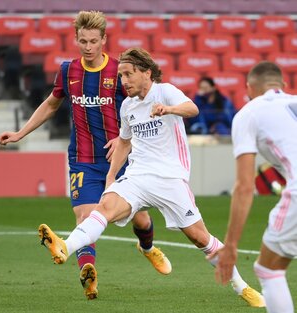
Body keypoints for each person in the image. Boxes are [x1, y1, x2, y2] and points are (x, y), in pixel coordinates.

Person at [38, 47, 264, 307]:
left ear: (146, 72)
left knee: (200, 238)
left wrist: (168, 109)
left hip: (170, 179)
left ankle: (242, 286)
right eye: (121, 76)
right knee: (105, 208)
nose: (124, 81)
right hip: (138, 176)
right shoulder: (128, 106)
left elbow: (192, 109)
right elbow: (123, 142)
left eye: (128, 75)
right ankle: (66, 246)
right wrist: (111, 177)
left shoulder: (164, 91)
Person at [0, 11, 171, 299]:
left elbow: (140, 108)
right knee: (86, 216)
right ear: (76, 40)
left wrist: (121, 137)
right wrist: (20, 133)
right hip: (83, 159)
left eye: (93, 41)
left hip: (123, 159)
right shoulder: (68, 71)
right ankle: (88, 272)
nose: (88, 47)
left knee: (140, 220)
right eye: (83, 41)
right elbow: (51, 105)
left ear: (104, 40)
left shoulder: (119, 72)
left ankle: (147, 247)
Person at [215, 61, 297, 313]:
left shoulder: (248, 113)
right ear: (283, 85)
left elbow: (243, 186)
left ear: (249, 88)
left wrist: (230, 246)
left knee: (268, 269)